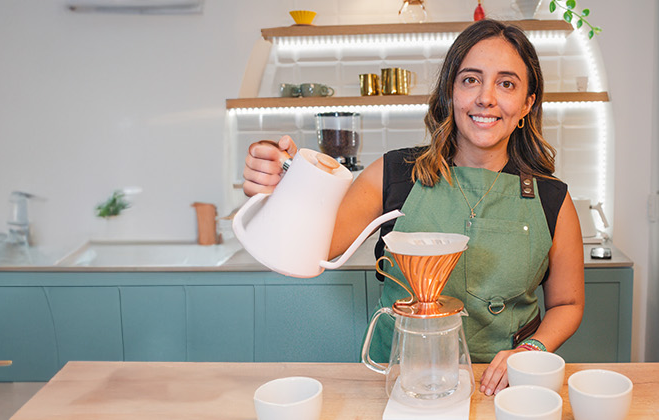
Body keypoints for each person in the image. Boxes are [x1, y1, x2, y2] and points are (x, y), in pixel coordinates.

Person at [242, 19, 585, 397]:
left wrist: (530, 351)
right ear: (450, 92)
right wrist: (285, 189)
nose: (485, 97)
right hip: (398, 381)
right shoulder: (393, 175)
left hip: (502, 387)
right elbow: (314, 249)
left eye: (506, 84)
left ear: (526, 103)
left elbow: (567, 303)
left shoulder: (552, 199)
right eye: (471, 80)